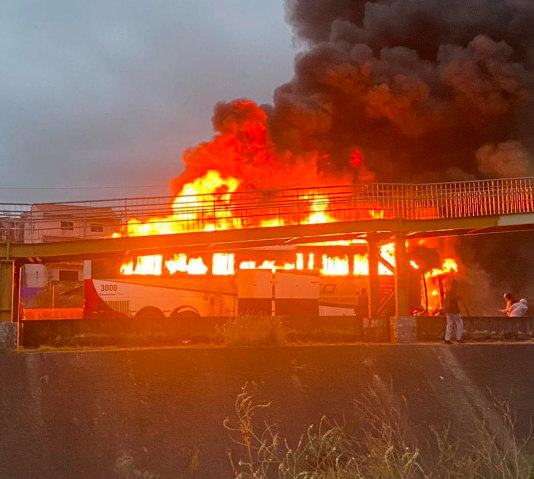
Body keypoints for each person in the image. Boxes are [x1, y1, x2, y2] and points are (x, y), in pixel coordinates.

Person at [444, 278, 464, 344]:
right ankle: (459, 338)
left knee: (449, 324)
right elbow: (453, 300)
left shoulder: (448, 290)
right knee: (459, 323)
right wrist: (459, 297)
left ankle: (447, 339)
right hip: (453, 310)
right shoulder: (452, 290)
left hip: (448, 310)